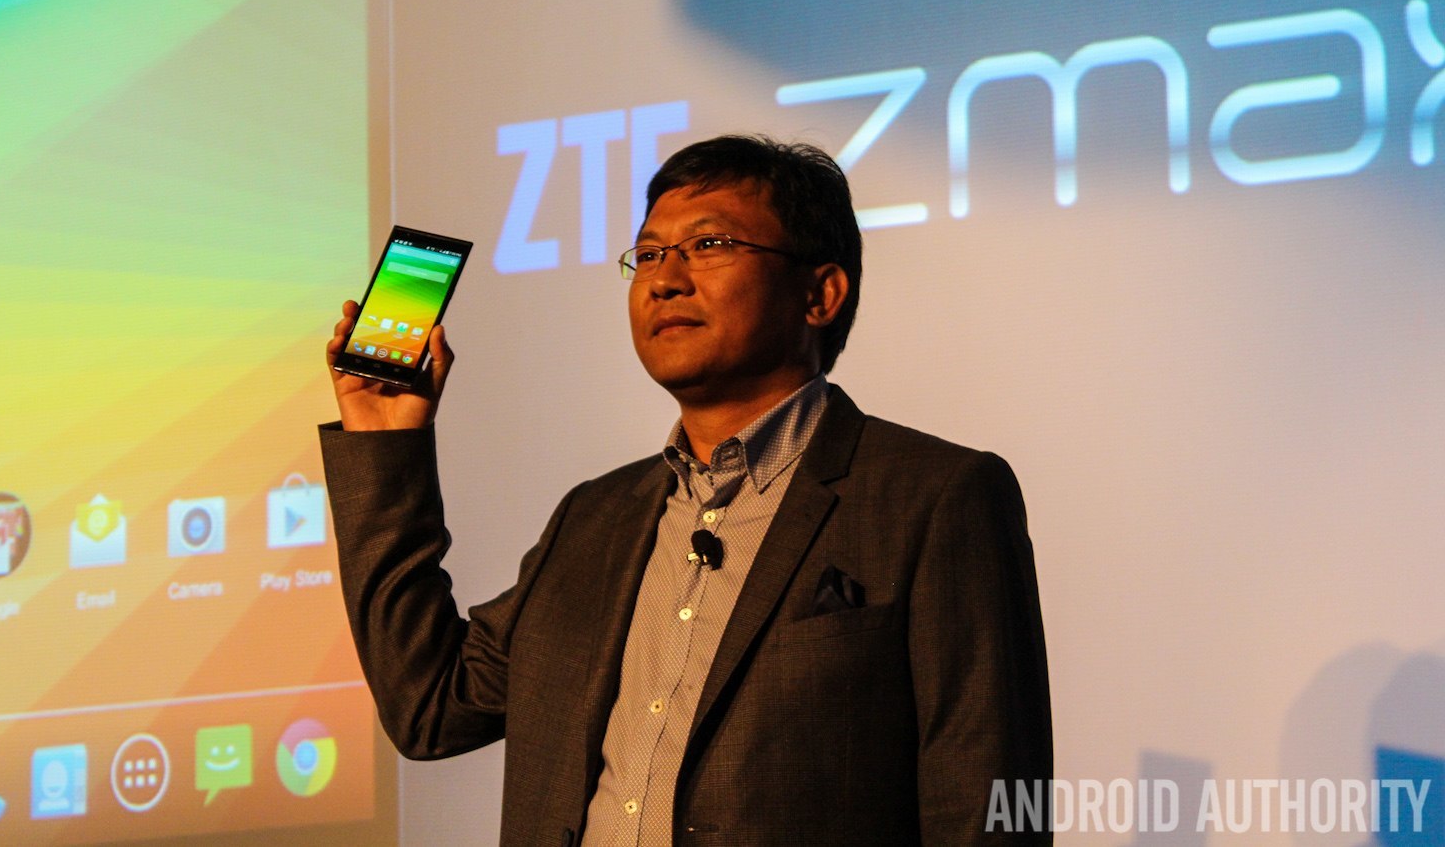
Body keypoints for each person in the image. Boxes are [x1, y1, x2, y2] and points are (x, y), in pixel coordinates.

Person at [320, 135, 1052, 845]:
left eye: (710, 244)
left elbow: (992, 803)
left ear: (820, 293)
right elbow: (429, 706)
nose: (664, 279)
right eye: (648, 254)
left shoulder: (936, 497)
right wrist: (385, 443)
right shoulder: (594, 518)